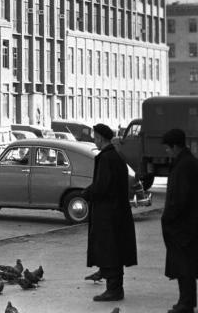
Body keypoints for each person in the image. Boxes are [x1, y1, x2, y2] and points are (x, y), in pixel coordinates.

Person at [83, 123, 137, 302]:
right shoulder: (116, 155)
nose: (94, 141)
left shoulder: (106, 158)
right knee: (115, 250)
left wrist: (86, 194)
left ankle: (114, 290)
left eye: (95, 137)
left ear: (100, 138)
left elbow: (102, 186)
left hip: (108, 214)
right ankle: (115, 288)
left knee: (109, 250)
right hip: (117, 211)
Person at [161, 128, 198, 313]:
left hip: (183, 225)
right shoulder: (187, 162)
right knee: (185, 264)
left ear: (175, 146)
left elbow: (180, 198)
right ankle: (185, 301)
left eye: (167, 147)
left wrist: (168, 217)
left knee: (185, 266)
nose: (166, 151)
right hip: (187, 223)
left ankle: (186, 303)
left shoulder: (184, 165)